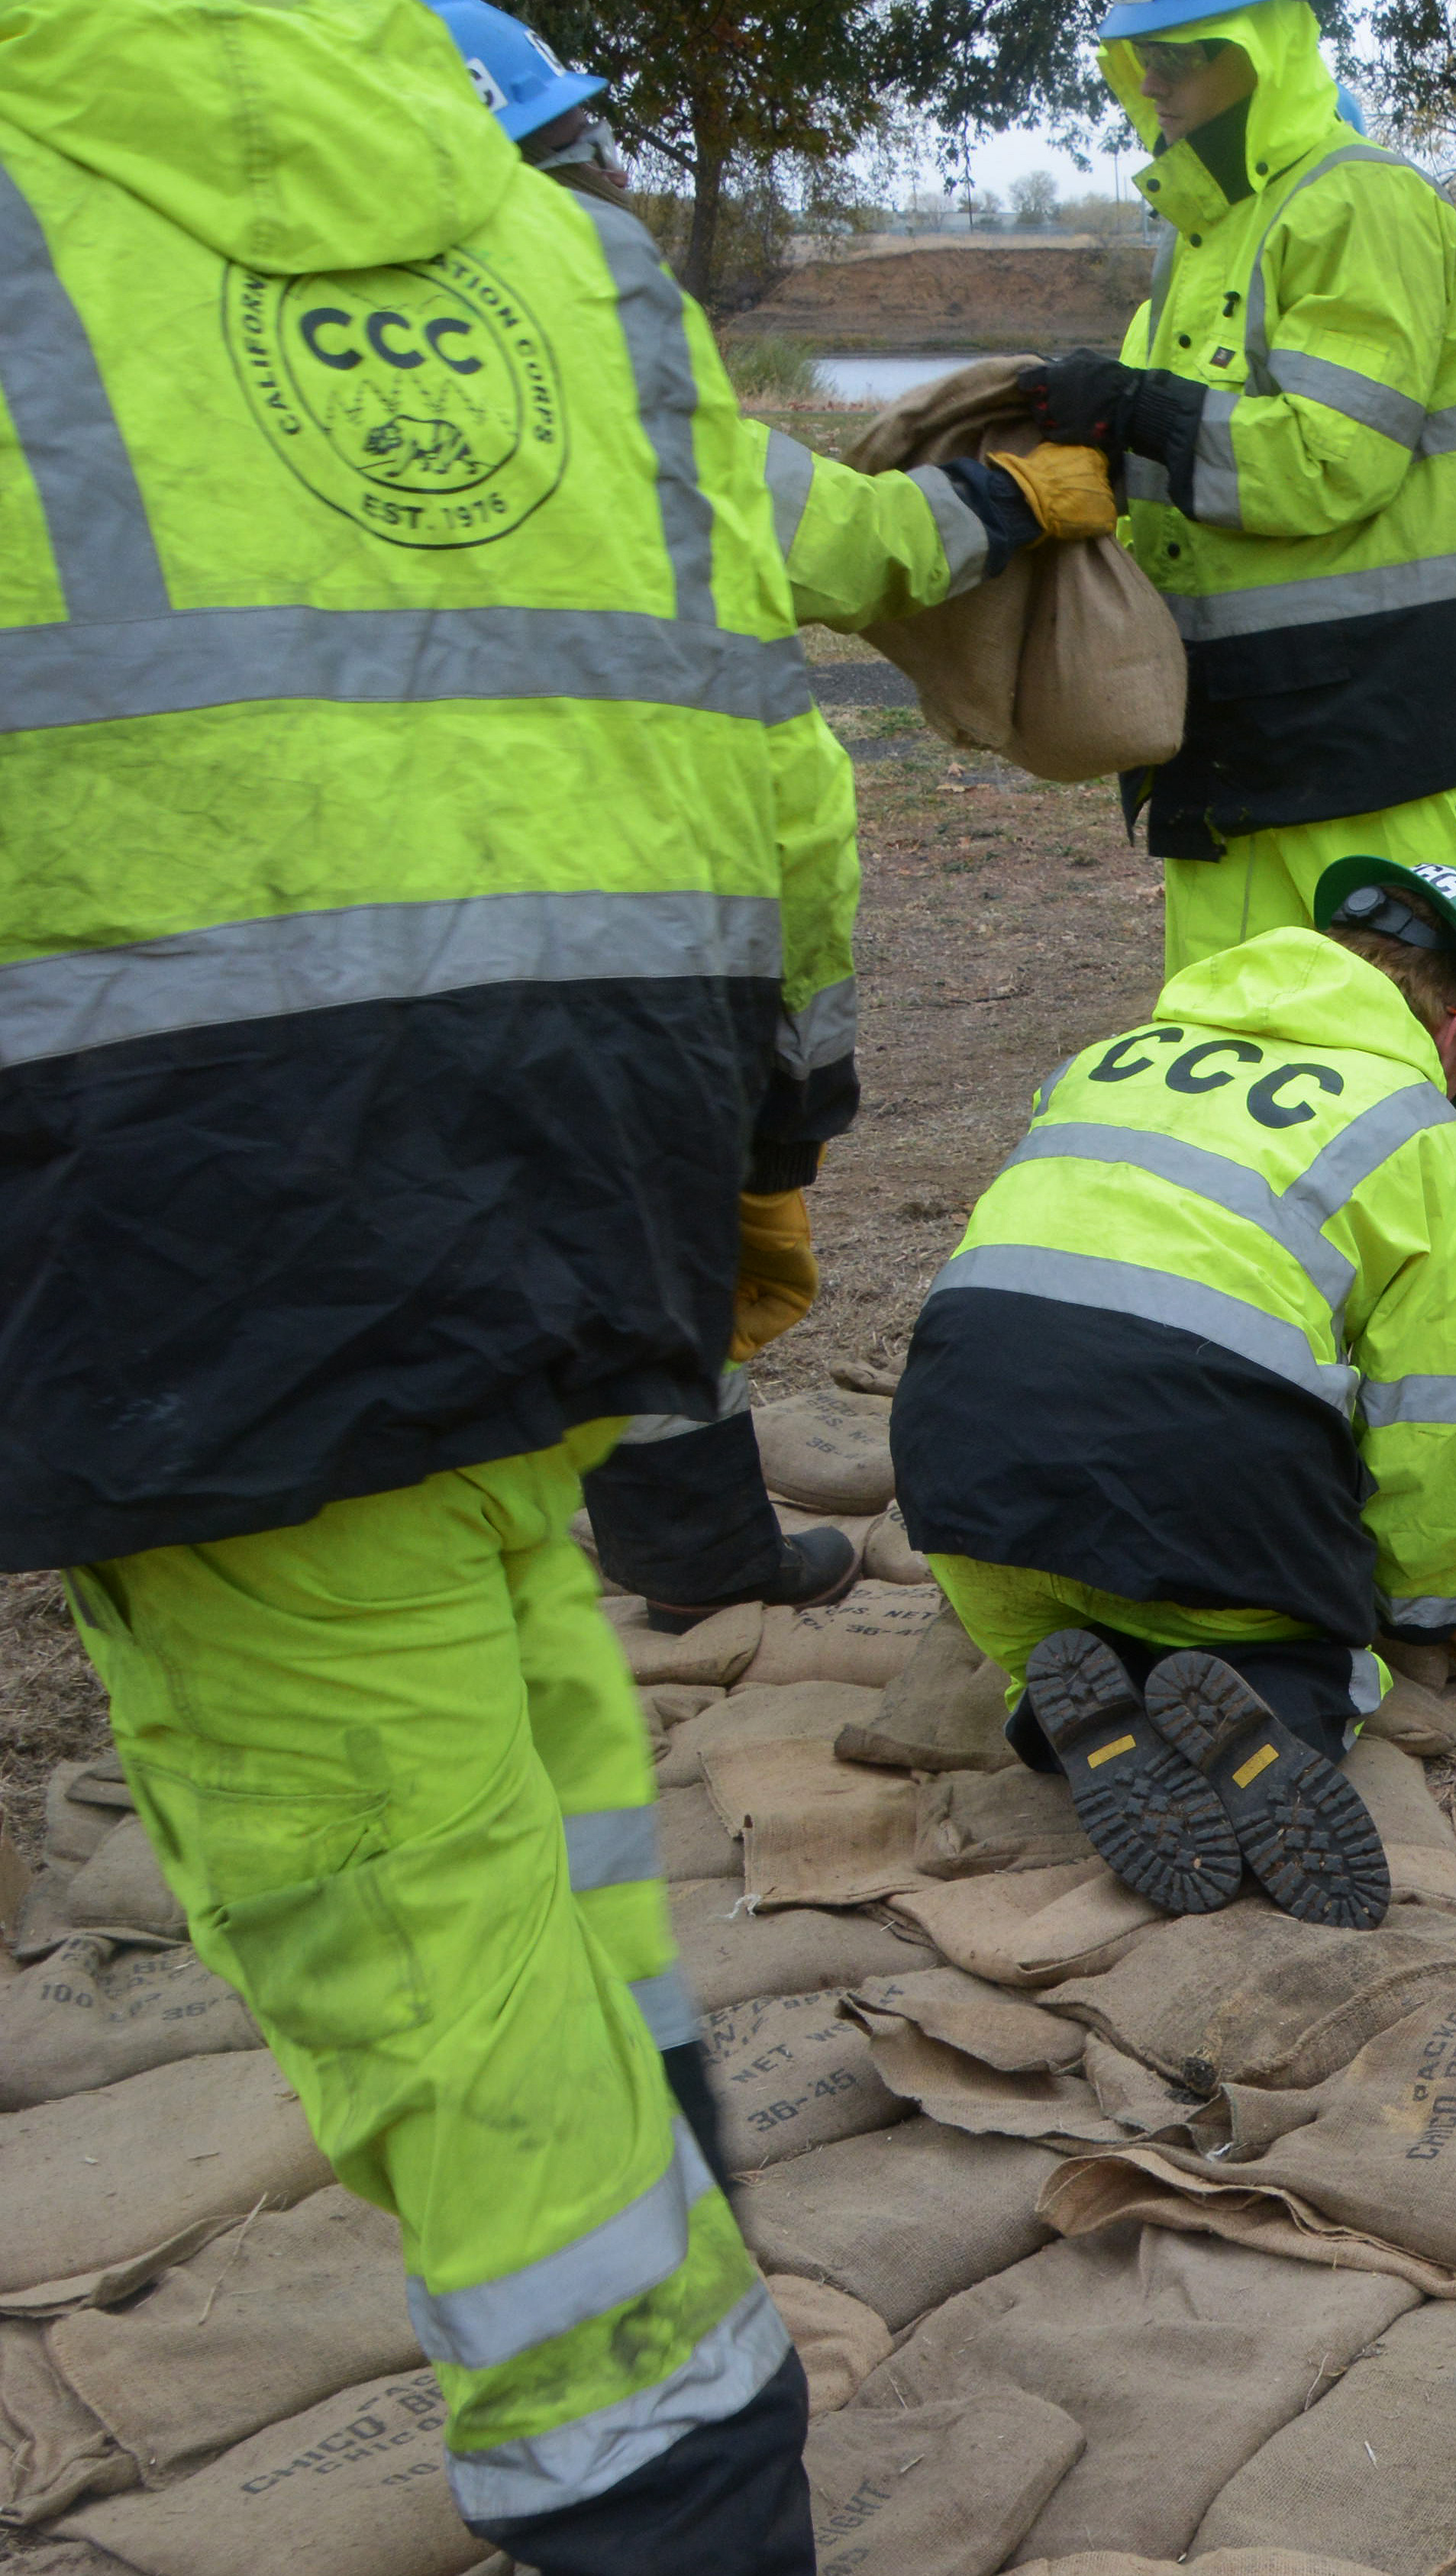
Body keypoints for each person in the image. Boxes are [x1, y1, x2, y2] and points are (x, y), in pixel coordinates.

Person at [2, 2, 860, 2561]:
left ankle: (669, 2484)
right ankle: (671, 2197)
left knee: (395, 1888)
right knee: (525, 1724)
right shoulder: (581, 264)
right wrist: (772, 1134)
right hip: (582, 1130)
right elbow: (775, 749)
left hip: (182, 1197)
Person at [429, 1, 1122, 1626]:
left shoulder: (340, 416)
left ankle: (580, 1534)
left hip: (480, 912)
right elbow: (851, 541)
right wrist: (1011, 497)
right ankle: (690, 1556)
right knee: (655, 1248)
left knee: (550, 1240)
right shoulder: (606, 369)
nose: (609, 188)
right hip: (668, 912)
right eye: (574, 156)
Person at [1030, 0, 1456, 1452]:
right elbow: (1192, 485)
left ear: (1271, 53)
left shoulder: (1361, 206)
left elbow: (1332, 461)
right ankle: (1271, 1369)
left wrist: (1130, 409)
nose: (1169, 89)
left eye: (1196, 55)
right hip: (1239, 750)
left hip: (1397, 733)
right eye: (1151, 61)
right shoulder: (1196, 244)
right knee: (1241, 1073)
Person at [892, 863, 1456, 1930]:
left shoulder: (1108, 1057)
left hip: (963, 1476)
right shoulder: (1417, 1124)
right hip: (1201, 1477)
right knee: (1305, 1659)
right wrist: (1425, 1605)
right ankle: (1271, 1696)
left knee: (1059, 1607)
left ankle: (1057, 1711)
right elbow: (1429, 1423)